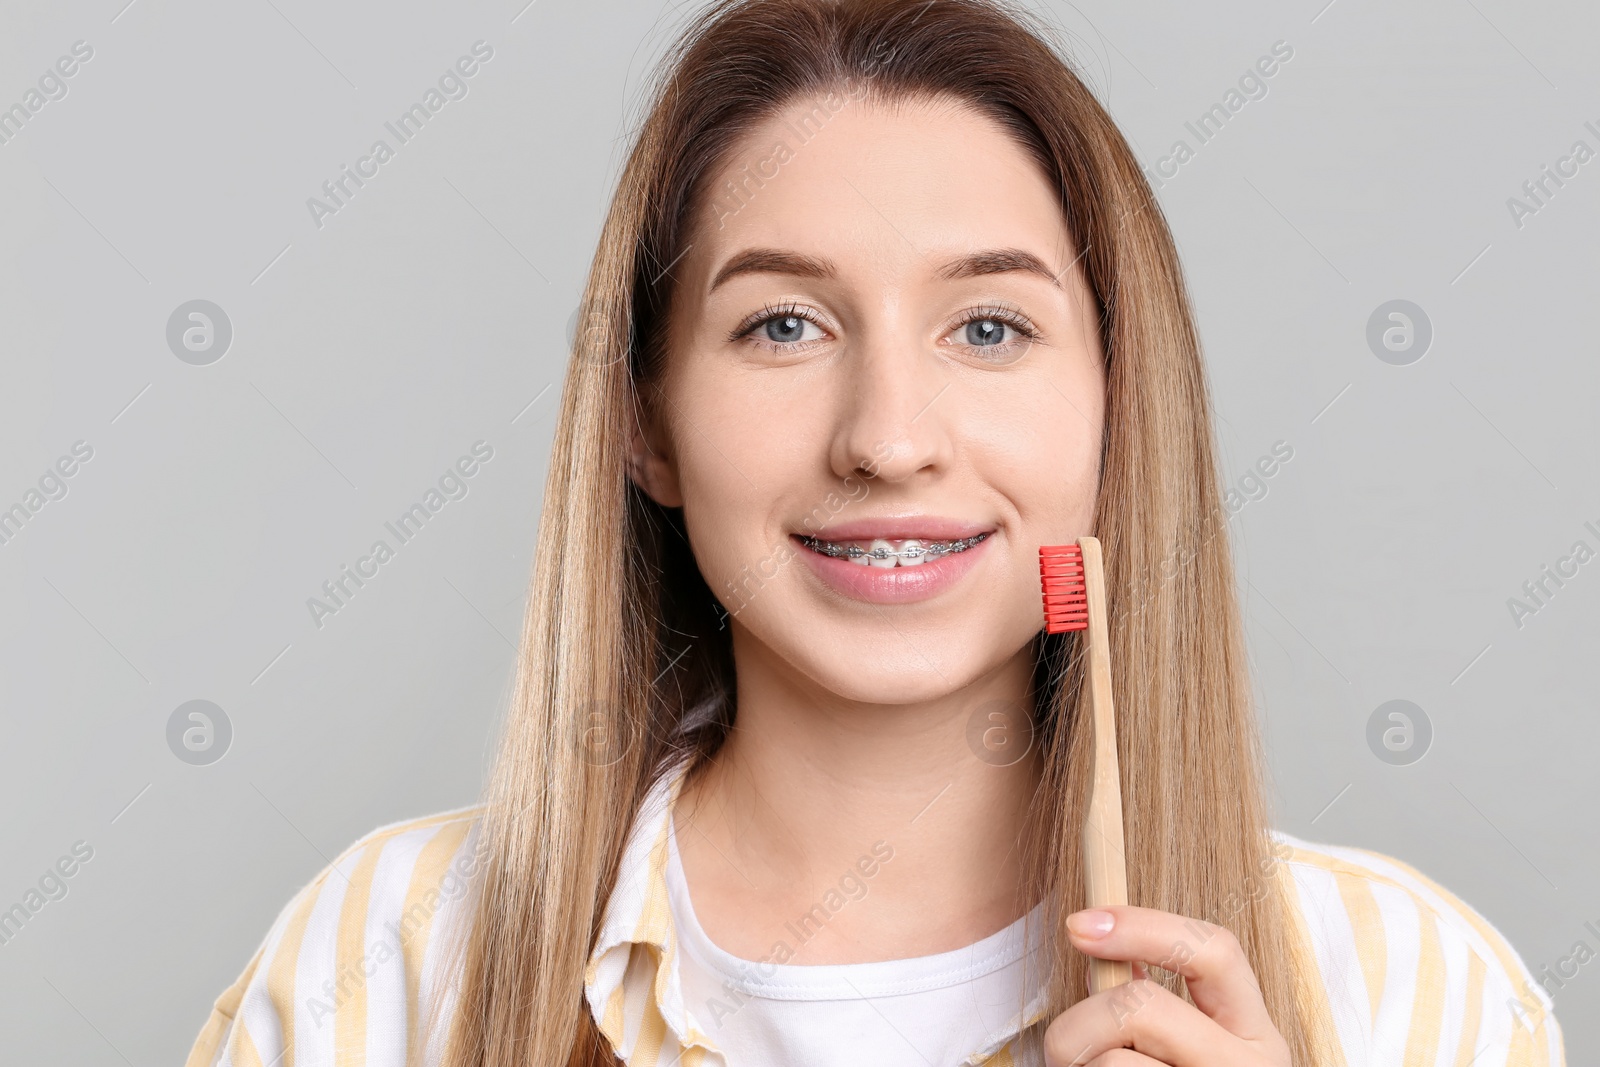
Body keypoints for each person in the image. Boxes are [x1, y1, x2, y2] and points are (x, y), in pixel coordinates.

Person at [185, 1, 1566, 1065]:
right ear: (646, 423)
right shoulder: (388, 962)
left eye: (989, 327)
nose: (890, 436)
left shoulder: (1405, 991)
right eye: (783, 324)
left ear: (1115, 413)